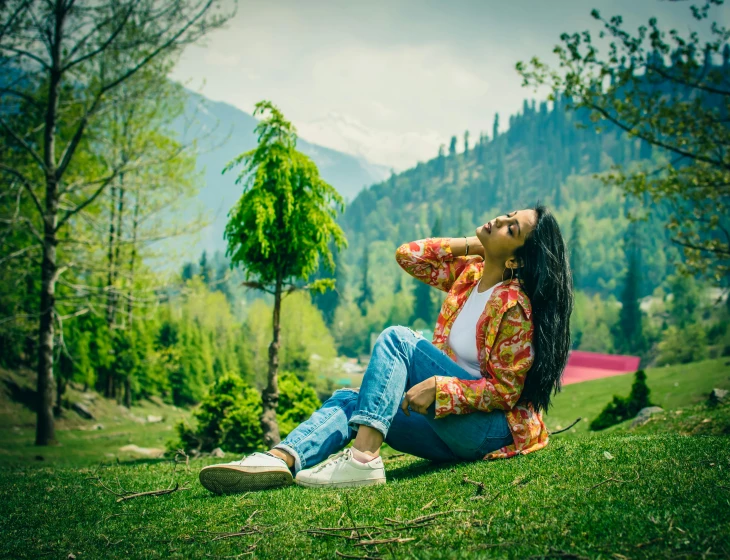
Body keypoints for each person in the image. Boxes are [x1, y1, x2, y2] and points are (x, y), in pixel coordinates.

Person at [199, 205, 573, 493]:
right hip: (448, 430)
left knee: (399, 339)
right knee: (355, 400)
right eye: (508, 214)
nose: (500, 219)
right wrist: (474, 244)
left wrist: (441, 388)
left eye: (512, 227)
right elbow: (409, 255)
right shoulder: (468, 276)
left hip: (488, 432)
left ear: (516, 260)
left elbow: (506, 392)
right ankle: (279, 459)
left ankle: (362, 460)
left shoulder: (514, 306)